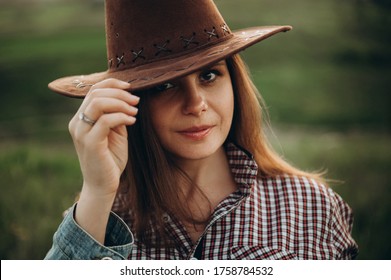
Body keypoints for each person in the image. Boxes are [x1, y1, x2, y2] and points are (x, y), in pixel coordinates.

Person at [45, 0, 358, 260]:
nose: (196, 103)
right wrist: (97, 192)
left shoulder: (310, 208)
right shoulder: (97, 221)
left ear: (234, 83)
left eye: (209, 75)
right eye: (165, 86)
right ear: (131, 103)